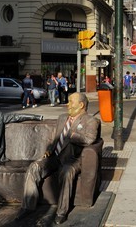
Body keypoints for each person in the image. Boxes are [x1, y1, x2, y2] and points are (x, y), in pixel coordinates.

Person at [15, 92, 100, 224]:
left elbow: (89, 139)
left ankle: (61, 212)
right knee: (34, 167)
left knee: (66, 172)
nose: (67, 104)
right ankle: (28, 207)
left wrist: (72, 134)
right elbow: (54, 137)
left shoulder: (91, 120)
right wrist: (49, 150)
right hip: (55, 156)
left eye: (71, 102)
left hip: (74, 159)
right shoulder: (62, 118)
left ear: (81, 105)